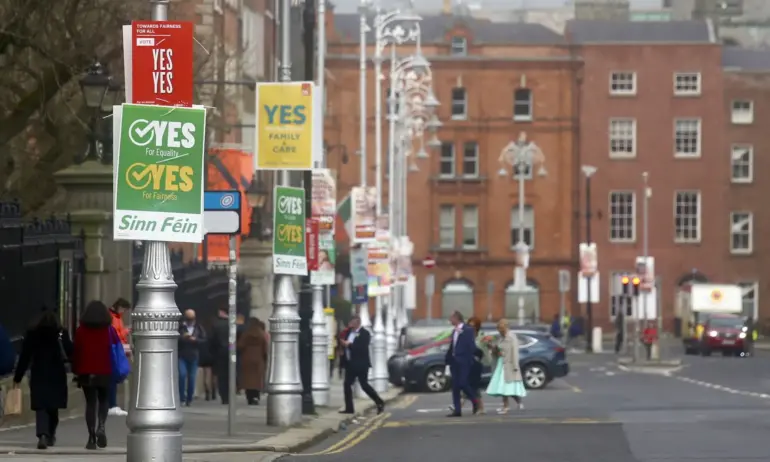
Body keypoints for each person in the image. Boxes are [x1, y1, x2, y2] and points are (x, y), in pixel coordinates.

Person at [13, 307, 74, 450]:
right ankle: (51, 434)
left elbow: (25, 357)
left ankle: (42, 434)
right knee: (53, 407)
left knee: (41, 406)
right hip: (57, 373)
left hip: (39, 372)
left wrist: (18, 377)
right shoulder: (61, 333)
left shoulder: (33, 334)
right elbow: (71, 351)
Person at [73, 300, 116, 450]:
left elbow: (76, 352)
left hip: (86, 371)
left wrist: (76, 371)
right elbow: (115, 348)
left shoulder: (81, 330)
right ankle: (101, 426)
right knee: (103, 400)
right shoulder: (109, 330)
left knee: (90, 403)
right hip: (105, 369)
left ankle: (91, 437)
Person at [339, 316, 385, 415]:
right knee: (347, 384)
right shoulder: (348, 332)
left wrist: (349, 345)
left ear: (357, 322)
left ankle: (379, 401)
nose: (350, 324)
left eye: (352, 322)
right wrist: (342, 347)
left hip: (361, 364)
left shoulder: (365, 333)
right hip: (350, 364)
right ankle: (349, 408)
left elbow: (361, 348)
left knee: (364, 385)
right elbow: (343, 342)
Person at [486, 319, 527, 414]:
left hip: (509, 364)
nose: (499, 331)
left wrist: (515, 366)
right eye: (498, 329)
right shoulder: (501, 338)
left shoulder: (512, 337)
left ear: (505, 328)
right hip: (501, 363)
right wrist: (491, 347)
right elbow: (498, 350)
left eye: (501, 329)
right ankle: (512, 404)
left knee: (505, 386)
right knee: (503, 386)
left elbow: (515, 352)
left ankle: (507, 407)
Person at [449, 316, 487, 414]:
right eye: (470, 325)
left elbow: (480, 350)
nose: (471, 327)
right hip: (464, 363)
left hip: (475, 364)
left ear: (477, 327)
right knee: (465, 385)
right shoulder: (463, 333)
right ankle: (474, 406)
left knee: (472, 385)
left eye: (473, 326)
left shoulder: (481, 336)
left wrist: (478, 356)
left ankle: (476, 405)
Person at [445, 311, 479, 418]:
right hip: (454, 361)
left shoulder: (468, 330)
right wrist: (448, 359)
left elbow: (471, 346)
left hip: (464, 361)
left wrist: (471, 357)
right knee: (455, 387)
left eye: (451, 318)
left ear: (456, 318)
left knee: (463, 383)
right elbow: (453, 346)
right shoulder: (454, 331)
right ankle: (457, 410)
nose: (450, 320)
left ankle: (475, 400)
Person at [108, 298, 131, 416]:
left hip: (118, 348)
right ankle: (111, 405)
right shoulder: (112, 317)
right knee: (114, 375)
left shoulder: (116, 317)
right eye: (124, 310)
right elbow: (115, 333)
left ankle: (112, 404)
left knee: (115, 376)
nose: (124, 312)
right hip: (115, 349)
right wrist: (126, 331)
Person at [237, 317, 268, 405]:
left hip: (247, 358)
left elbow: (240, 345)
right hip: (258, 359)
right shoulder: (261, 334)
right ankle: (256, 396)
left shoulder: (246, 334)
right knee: (257, 379)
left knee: (248, 379)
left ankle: (249, 397)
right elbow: (265, 348)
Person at [178, 309, 205, 406]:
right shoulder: (181, 327)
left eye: (192, 318)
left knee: (192, 377)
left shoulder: (198, 327)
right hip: (182, 355)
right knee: (182, 375)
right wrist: (183, 337)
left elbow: (204, 339)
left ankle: (189, 398)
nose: (190, 320)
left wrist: (195, 340)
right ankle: (182, 397)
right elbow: (175, 338)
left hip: (193, 355)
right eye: (188, 318)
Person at [209, 308, 231, 404]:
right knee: (230, 374)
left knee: (221, 375)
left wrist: (213, 352)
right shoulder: (232, 325)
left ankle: (224, 396)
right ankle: (230, 394)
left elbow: (212, 340)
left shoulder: (216, 325)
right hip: (230, 352)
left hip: (219, 352)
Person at [198, 319, 216, 401]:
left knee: (205, 375)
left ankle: (207, 391)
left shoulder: (201, 334)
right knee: (213, 375)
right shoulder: (213, 335)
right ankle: (213, 391)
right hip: (212, 356)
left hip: (203, 356)